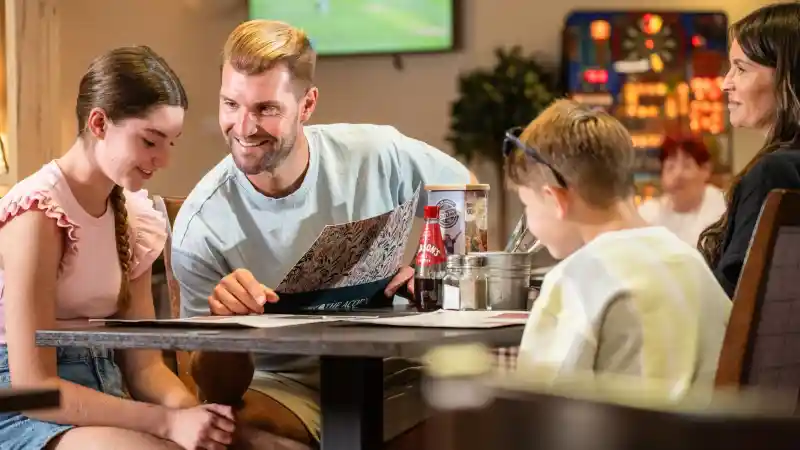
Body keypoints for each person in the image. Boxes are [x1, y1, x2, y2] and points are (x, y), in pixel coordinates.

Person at [172, 20, 474, 447]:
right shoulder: (200, 227)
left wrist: (439, 265)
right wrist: (228, 330)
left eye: (266, 109)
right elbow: (214, 391)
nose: (243, 127)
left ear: (307, 104)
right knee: (228, 433)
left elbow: (461, 191)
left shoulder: (379, 153)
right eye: (231, 104)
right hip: (285, 388)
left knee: (496, 404)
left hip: (394, 370)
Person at [0, 46, 234, 450]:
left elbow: (143, 366)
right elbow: (34, 386)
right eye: (149, 141)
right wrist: (165, 423)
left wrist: (193, 415)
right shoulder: (36, 214)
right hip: (27, 412)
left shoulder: (134, 217)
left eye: (171, 143)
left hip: (105, 398)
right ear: (98, 123)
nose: (162, 159)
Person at [505, 99, 731, 395]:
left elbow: (537, 413)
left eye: (527, 206)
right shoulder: (690, 263)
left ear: (554, 199)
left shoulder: (576, 280)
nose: (529, 220)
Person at [698, 2, 800, 298]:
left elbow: (732, 304)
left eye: (741, 69)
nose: (725, 83)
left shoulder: (774, 173)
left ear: (787, 78)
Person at [638, 135, 726, 246]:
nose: (677, 174)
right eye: (670, 167)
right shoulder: (648, 214)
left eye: (687, 166)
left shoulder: (724, 210)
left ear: (705, 169)